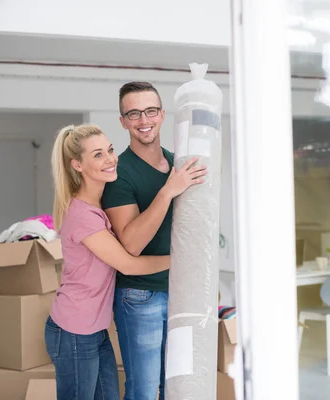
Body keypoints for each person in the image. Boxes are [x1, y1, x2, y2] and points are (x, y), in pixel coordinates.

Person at [46, 123, 171, 400]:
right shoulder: (83, 216)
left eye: (111, 150)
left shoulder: (97, 207)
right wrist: (180, 259)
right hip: (74, 332)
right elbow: (129, 265)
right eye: (98, 155)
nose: (111, 159)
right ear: (77, 165)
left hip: (94, 331)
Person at [102, 82, 207, 400]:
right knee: (144, 391)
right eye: (133, 113)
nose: (143, 119)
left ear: (162, 115)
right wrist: (169, 190)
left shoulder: (180, 164)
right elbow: (131, 243)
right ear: (123, 121)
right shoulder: (119, 173)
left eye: (149, 110)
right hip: (140, 295)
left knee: (176, 387)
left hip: (182, 292)